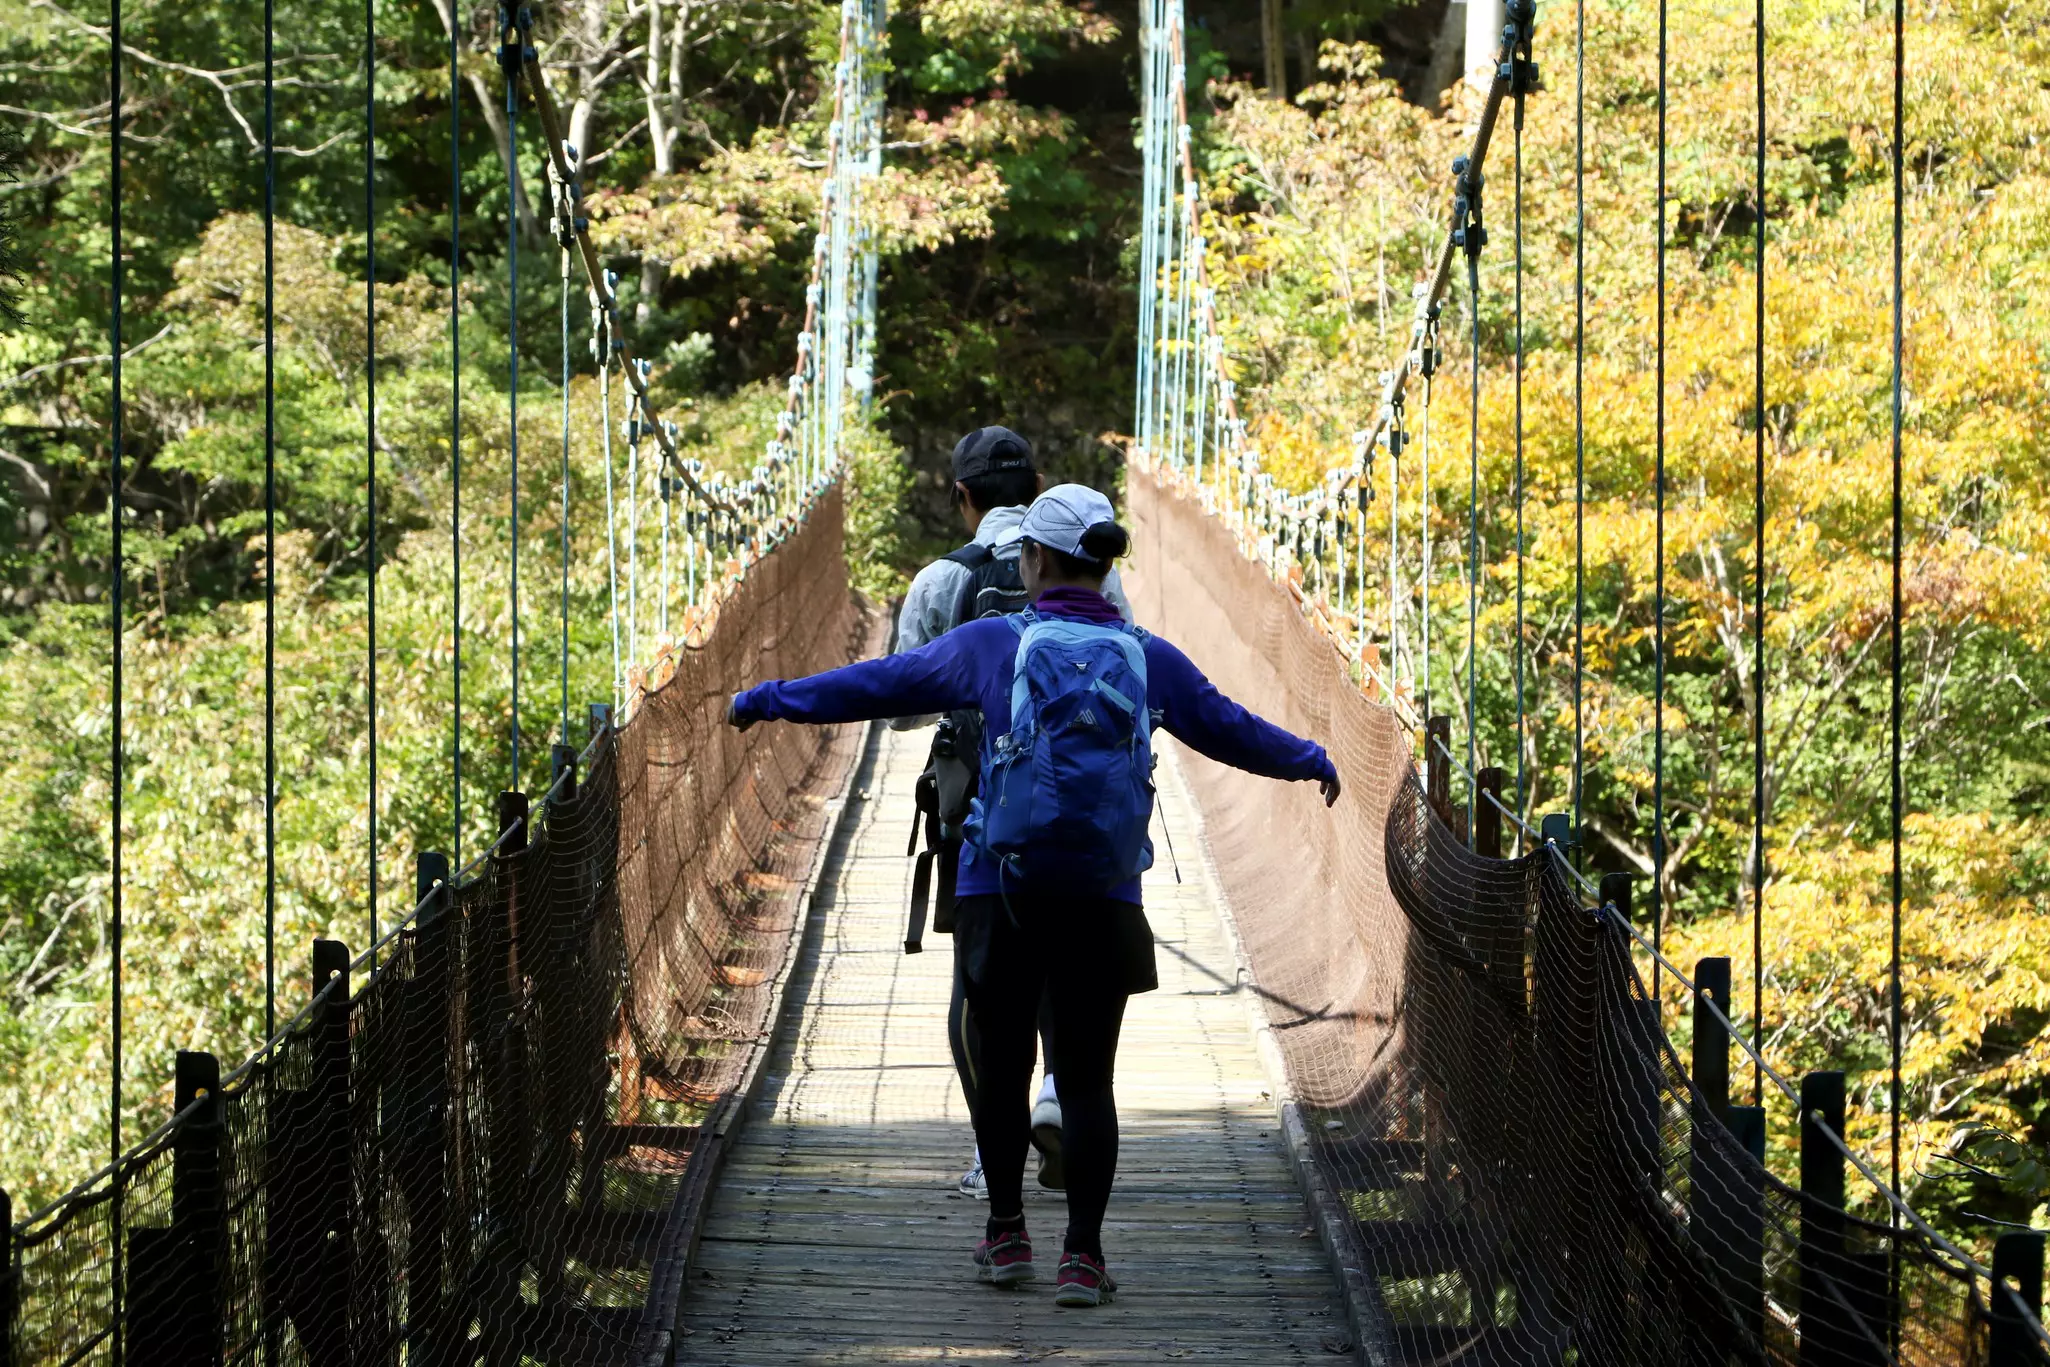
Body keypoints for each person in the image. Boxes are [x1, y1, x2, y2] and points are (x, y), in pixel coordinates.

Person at [728, 484, 1341, 1307]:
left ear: (1035, 561)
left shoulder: (988, 646)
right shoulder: (1148, 656)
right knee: (1086, 1081)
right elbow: (1228, 725)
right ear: (1103, 568)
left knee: (1005, 1063)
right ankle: (1083, 1258)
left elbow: (877, 683)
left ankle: (1007, 1231)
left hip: (998, 889)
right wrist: (1309, 755)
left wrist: (770, 698)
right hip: (1103, 894)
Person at [896, 426, 1134, 1201]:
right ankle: (1061, 1098)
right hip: (1082, 812)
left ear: (960, 497)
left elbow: (900, 708)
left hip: (978, 816)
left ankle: (989, 1162)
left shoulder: (941, 581)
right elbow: (1126, 661)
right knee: (1065, 980)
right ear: (1037, 489)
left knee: (982, 993)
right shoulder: (1092, 572)